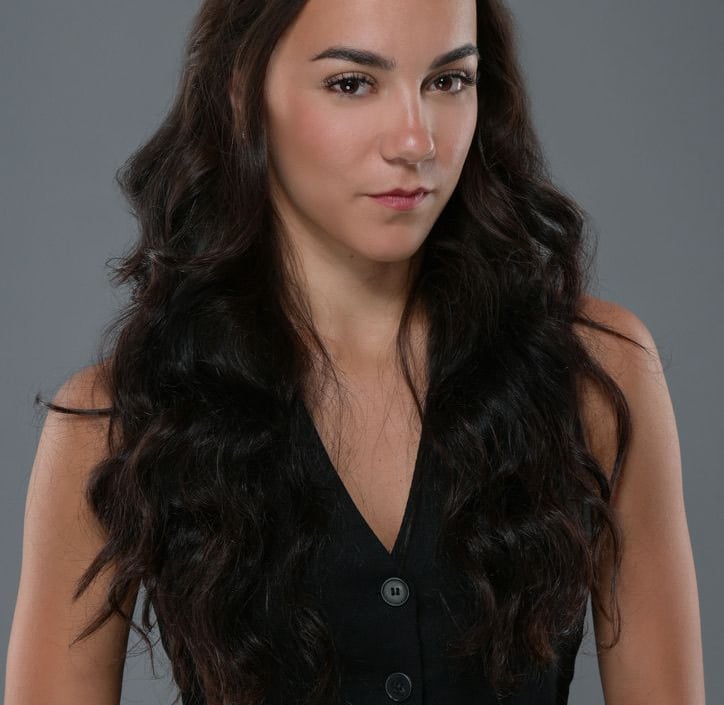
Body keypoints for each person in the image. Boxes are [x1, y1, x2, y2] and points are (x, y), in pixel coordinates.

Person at [5, 1, 705, 704]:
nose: (416, 141)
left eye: (448, 81)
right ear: (242, 90)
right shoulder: (111, 425)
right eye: (352, 83)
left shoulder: (597, 374)